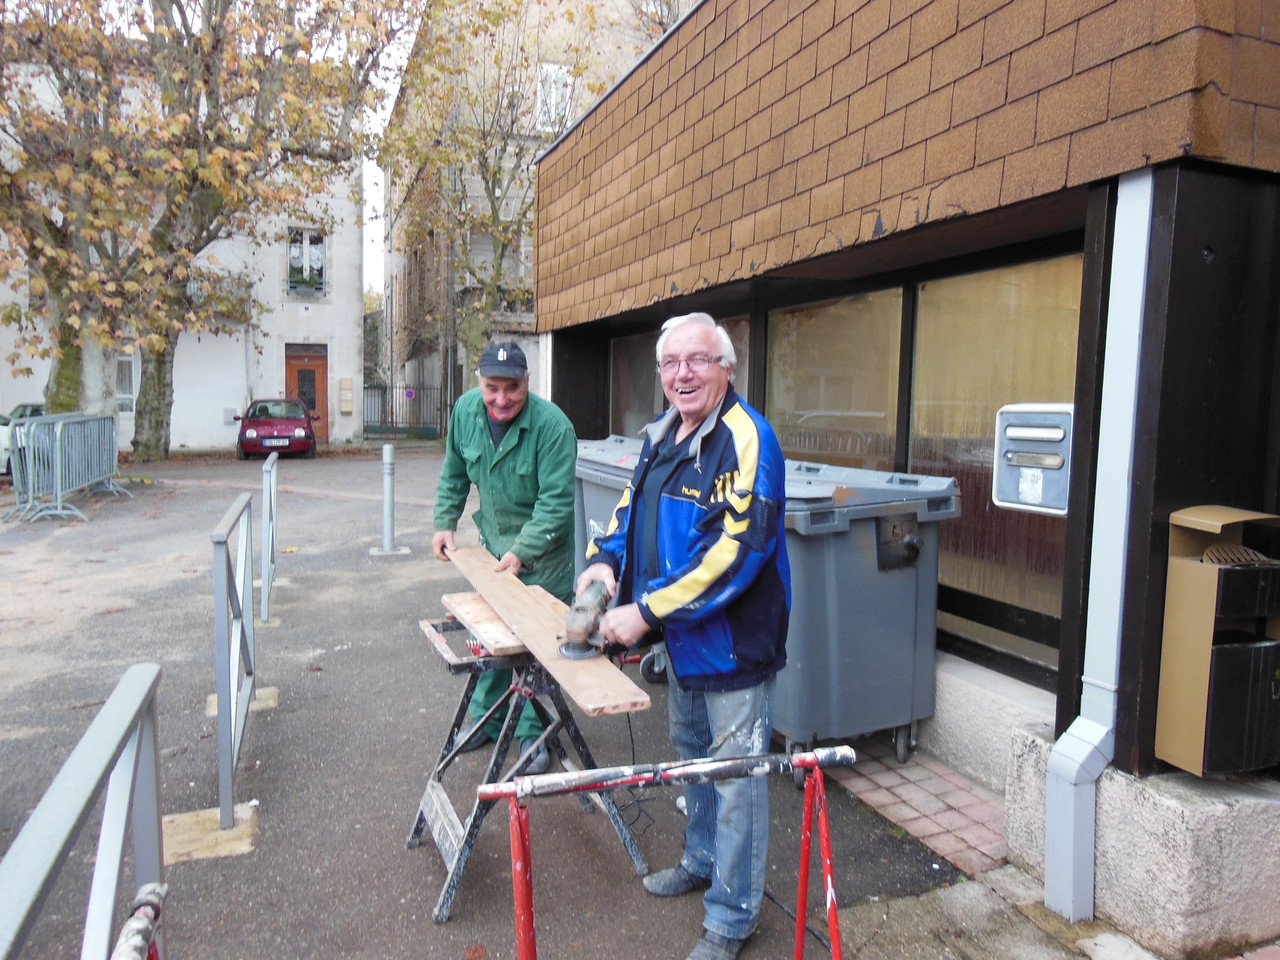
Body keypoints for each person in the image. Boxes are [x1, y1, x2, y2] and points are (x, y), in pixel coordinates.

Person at [576, 313, 790, 960]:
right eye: (671, 363)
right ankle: (701, 862)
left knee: (735, 784)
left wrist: (647, 614)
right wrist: (603, 563)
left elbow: (737, 553)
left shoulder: (748, 439)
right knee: (695, 759)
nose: (682, 374)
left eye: (697, 360)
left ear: (727, 367)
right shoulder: (663, 434)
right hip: (683, 642)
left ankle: (732, 917)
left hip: (731, 645)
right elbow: (627, 512)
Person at [432, 341, 577, 776]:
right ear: (479, 382)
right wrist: (445, 521)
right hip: (493, 551)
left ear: (527, 383)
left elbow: (555, 504)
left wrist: (523, 552)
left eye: (511, 387)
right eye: (491, 388)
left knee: (534, 651)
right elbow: (454, 470)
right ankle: (490, 718)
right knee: (492, 639)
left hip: (543, 561)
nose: (501, 399)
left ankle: (533, 732)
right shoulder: (465, 413)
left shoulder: (554, 428)